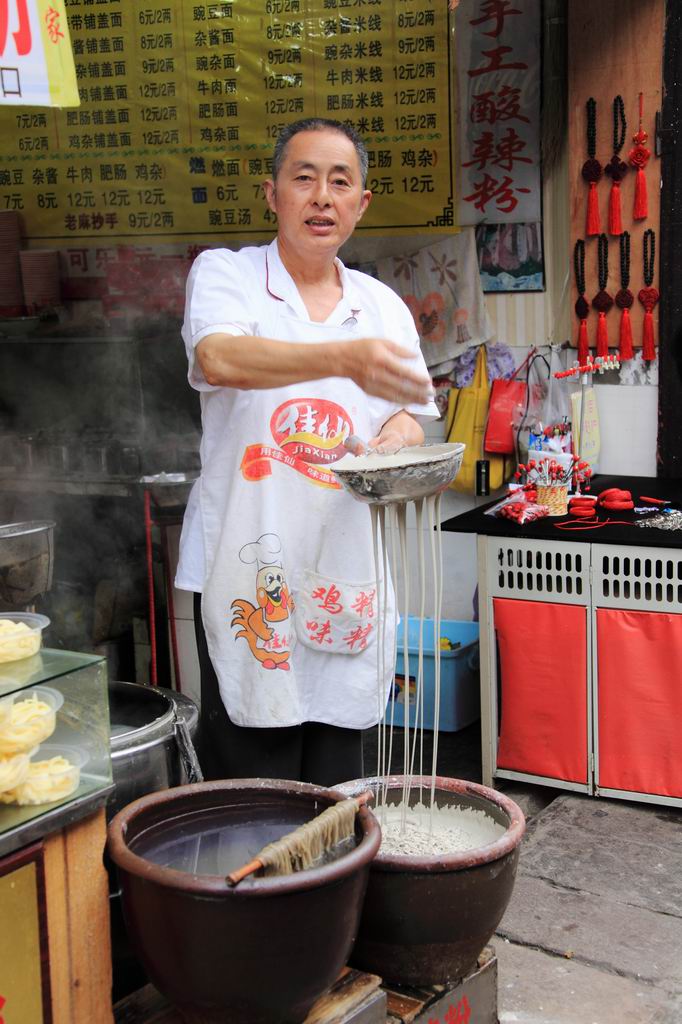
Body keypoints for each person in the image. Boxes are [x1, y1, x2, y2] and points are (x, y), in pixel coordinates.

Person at [176, 117, 438, 786]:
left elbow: (413, 413)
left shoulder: (382, 306)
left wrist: (387, 443)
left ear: (362, 203)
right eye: (304, 178)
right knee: (253, 773)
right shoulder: (228, 275)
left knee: (336, 778)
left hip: (345, 563)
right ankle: (257, 889)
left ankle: (332, 894)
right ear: (273, 194)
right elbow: (219, 357)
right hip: (248, 560)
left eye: (341, 181)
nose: (323, 196)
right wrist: (341, 358)